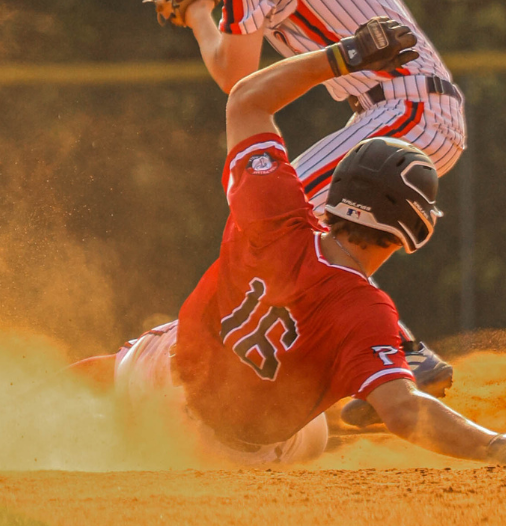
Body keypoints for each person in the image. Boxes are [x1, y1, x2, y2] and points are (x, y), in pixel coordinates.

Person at [105, 17, 506, 467]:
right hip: (230, 456)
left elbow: (246, 101)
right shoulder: (366, 313)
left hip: (162, 394)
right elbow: (404, 411)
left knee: (112, 369)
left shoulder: (273, 211)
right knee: (312, 430)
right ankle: (391, 363)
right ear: (413, 233)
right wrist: (500, 446)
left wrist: (343, 56)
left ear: (333, 195)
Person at [146, 0, 464, 425]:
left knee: (271, 209)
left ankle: (402, 358)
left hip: (407, 108)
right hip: (407, 108)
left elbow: (237, 78)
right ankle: (392, 359)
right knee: (284, 218)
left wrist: (197, 16)